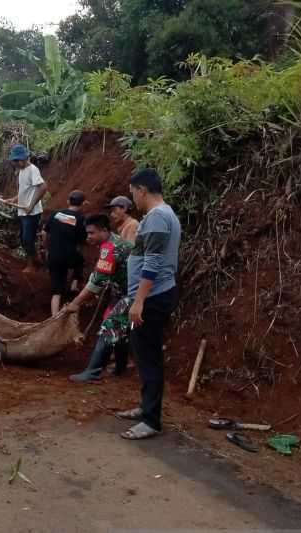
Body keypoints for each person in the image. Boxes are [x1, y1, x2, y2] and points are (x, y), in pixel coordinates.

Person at [115, 169, 181, 440]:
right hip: (151, 297)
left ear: (141, 189)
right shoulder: (165, 215)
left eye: (132, 192)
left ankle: (151, 420)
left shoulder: (157, 218)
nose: (133, 198)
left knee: (149, 356)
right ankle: (146, 408)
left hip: (151, 299)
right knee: (143, 354)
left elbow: (153, 263)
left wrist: (139, 301)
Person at [64, 214, 133, 383]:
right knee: (119, 329)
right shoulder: (112, 242)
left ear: (104, 230)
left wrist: (75, 303)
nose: (88, 237)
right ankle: (120, 366)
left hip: (131, 293)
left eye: (91, 233)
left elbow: (97, 281)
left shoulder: (110, 248)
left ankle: (92, 372)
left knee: (109, 326)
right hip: (125, 292)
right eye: (87, 234)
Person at [1, 144, 48, 273]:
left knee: (28, 239)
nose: (15, 163)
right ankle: (36, 258)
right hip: (24, 211)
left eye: (16, 161)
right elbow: (25, 190)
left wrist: (31, 205)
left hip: (32, 212)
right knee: (23, 238)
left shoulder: (32, 170)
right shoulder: (21, 171)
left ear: (23, 158)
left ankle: (31, 265)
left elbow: (42, 187)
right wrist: (14, 199)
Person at [43, 190, 87, 316]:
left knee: (56, 288)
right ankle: (74, 285)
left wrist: (46, 247)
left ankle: (54, 316)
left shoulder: (56, 214)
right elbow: (82, 242)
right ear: (83, 204)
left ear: (68, 201)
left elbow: (44, 232)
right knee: (80, 260)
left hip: (54, 255)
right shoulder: (81, 219)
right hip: (69, 256)